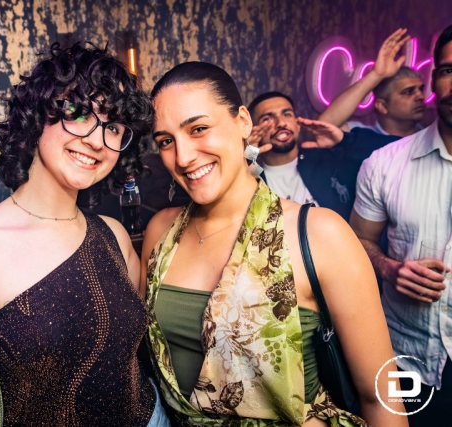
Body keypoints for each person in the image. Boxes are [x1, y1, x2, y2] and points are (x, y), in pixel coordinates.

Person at [0, 42, 169, 426]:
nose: (96, 140)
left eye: (113, 127)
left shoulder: (114, 237)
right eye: (79, 112)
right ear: (37, 115)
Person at [142, 61, 407, 426]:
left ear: (243, 122)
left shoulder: (319, 234)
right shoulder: (160, 232)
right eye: (166, 141)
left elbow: (380, 396)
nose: (183, 157)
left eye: (198, 128)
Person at [350, 24, 452, 427]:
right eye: (448, 70)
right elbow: (360, 240)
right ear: (435, 80)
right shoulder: (383, 164)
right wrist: (390, 269)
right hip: (410, 361)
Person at [247, 92, 394, 220]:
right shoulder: (250, 176)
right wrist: (247, 156)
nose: (281, 123)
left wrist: (345, 140)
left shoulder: (327, 160)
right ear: (253, 130)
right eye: (267, 118)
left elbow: (396, 150)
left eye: (287, 114)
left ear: (298, 125)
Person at [318, 28, 426, 137]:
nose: (420, 96)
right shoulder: (363, 137)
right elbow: (325, 127)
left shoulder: (429, 136)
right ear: (382, 106)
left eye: (421, 89)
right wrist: (376, 75)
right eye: (408, 92)